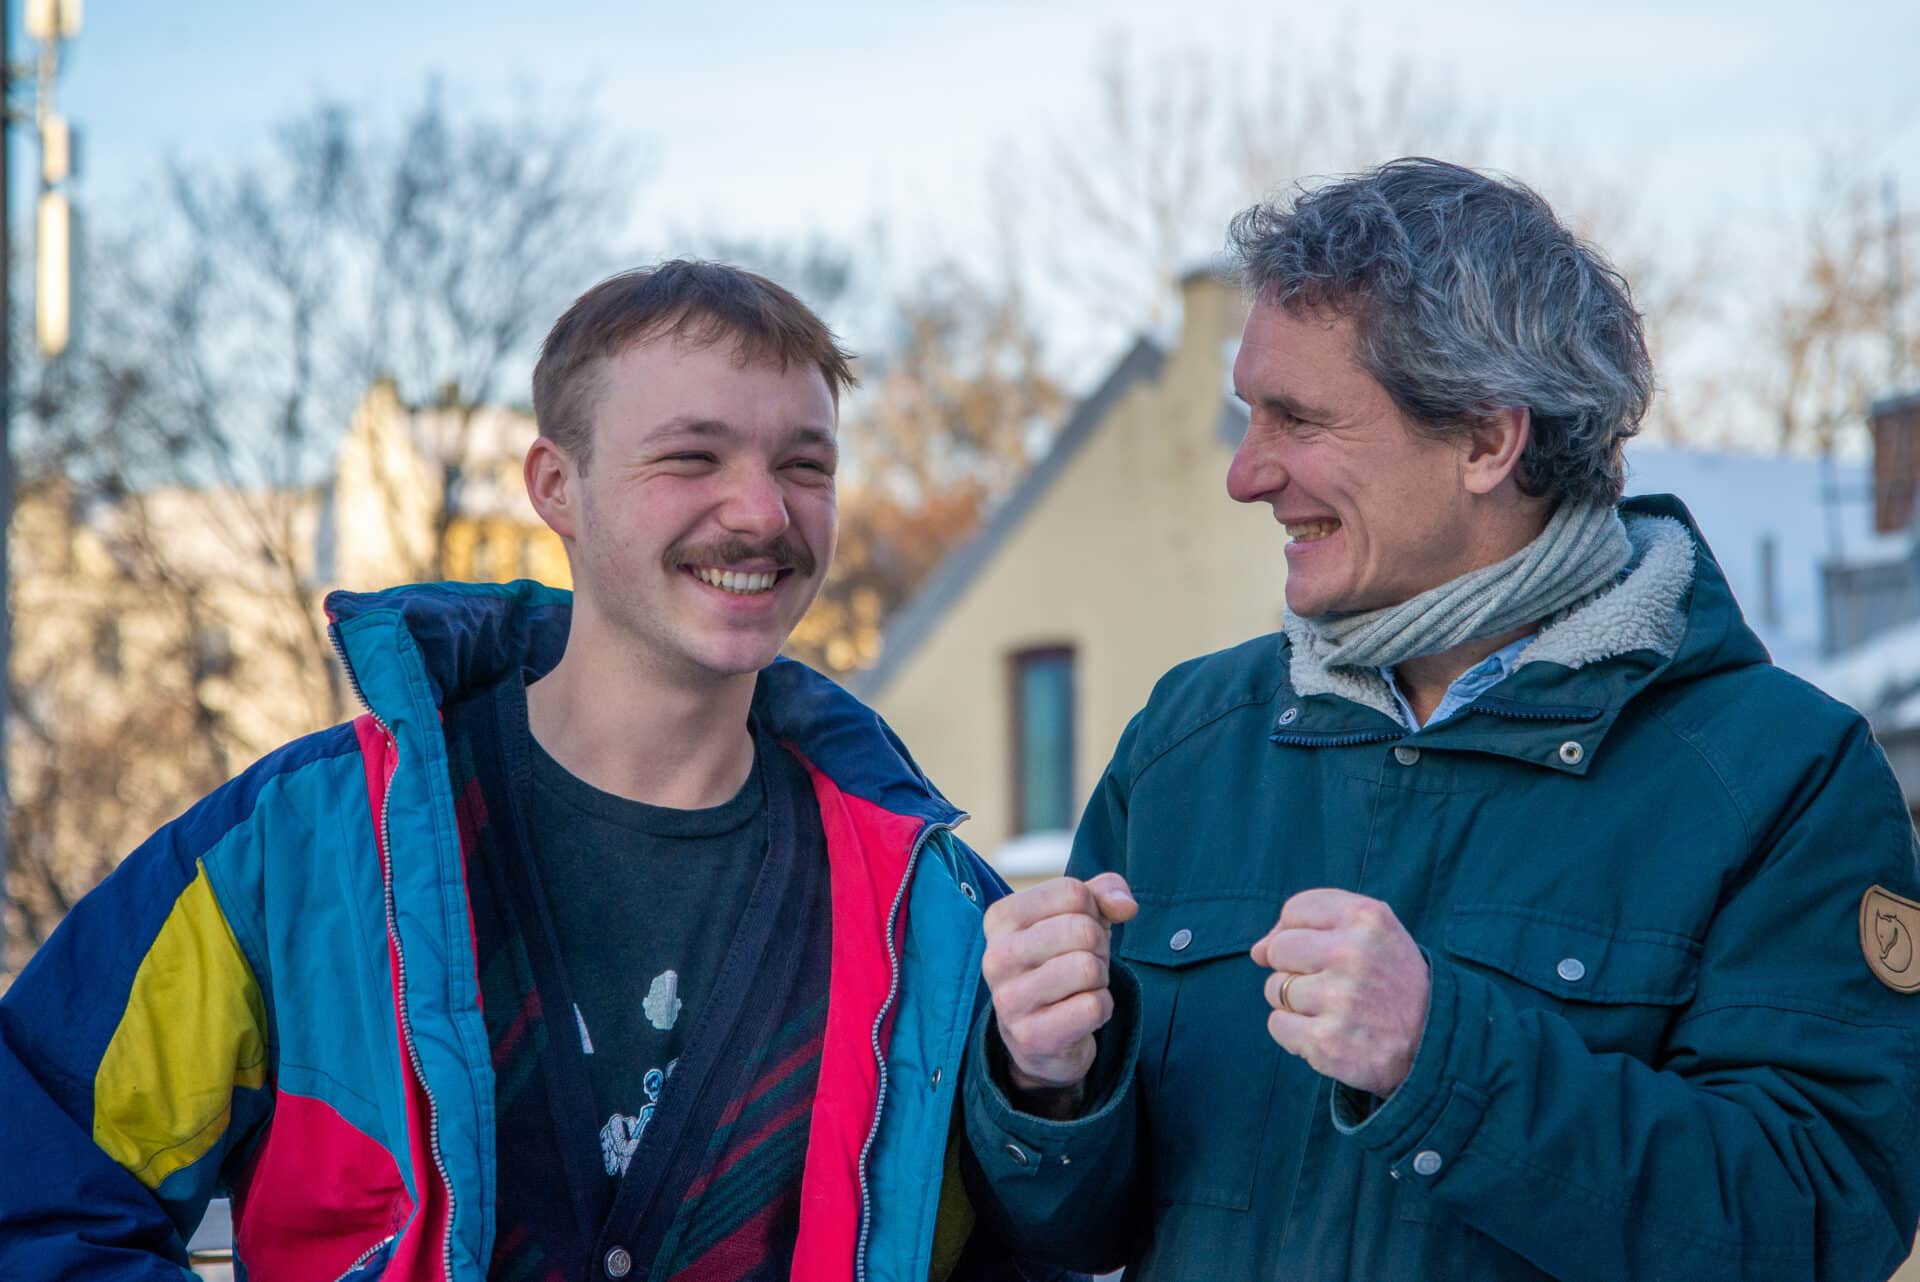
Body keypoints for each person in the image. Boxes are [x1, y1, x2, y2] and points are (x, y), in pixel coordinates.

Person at [961, 159, 1920, 1281]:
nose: (1246, 474)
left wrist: (1446, 1062)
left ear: (1484, 440)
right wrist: (1042, 1084)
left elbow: (1819, 1225)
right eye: (1247, 415)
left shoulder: (1781, 777)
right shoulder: (1186, 742)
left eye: (1298, 420)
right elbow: (1073, 1229)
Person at [0, 261, 1041, 1282]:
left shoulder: (931, 910)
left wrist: (1066, 1090)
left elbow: (1045, 1240)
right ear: (557, 487)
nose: (762, 513)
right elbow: (40, 1179)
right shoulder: (303, 850)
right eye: (692, 458)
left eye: (805, 467)